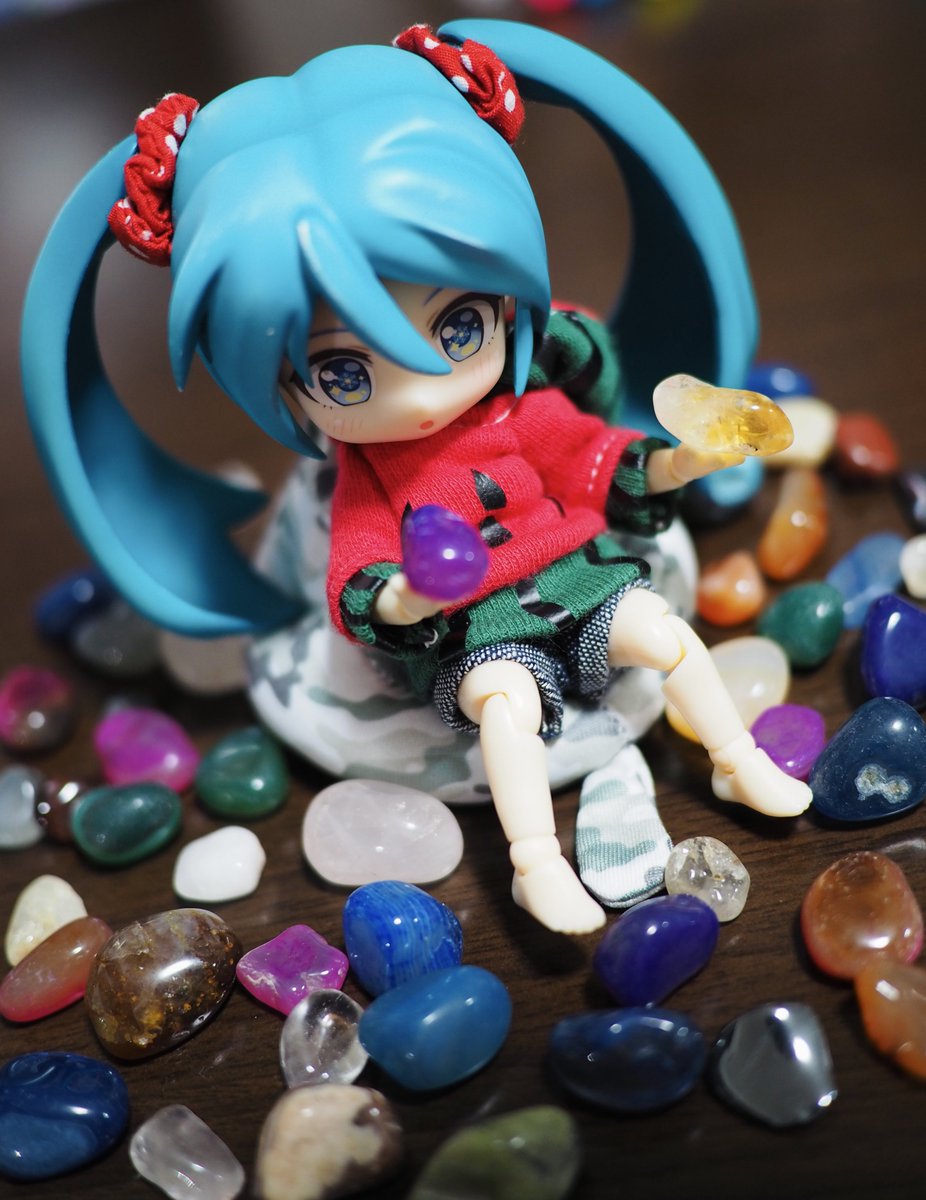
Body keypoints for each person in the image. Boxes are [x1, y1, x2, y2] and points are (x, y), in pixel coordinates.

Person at [21, 21, 810, 935]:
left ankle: (735, 758)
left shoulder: (518, 412)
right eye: (344, 374)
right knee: (506, 709)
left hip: (574, 569)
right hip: (475, 620)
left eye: (460, 327)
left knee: (667, 634)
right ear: (285, 388)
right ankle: (535, 863)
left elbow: (592, 458)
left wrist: (684, 459)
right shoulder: (370, 476)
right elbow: (358, 573)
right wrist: (409, 596)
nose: (424, 392)